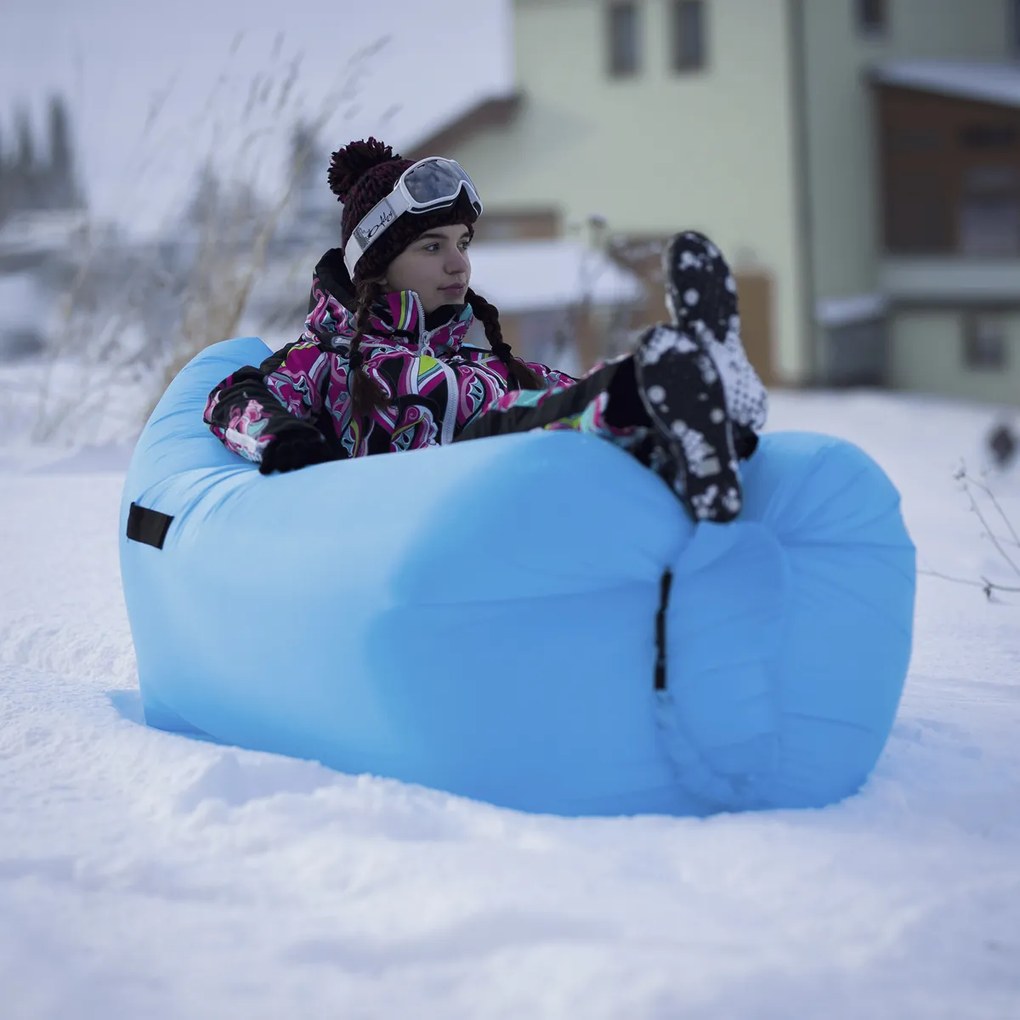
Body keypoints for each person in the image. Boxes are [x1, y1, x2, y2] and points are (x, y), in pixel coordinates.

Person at [204, 138, 767, 522]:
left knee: (559, 402)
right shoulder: (320, 361)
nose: (459, 265)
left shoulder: (484, 368)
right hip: (397, 535)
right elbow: (231, 399)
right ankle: (656, 389)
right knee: (502, 432)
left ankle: (684, 412)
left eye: (463, 244)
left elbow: (565, 392)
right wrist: (284, 440)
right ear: (373, 263)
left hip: (505, 531)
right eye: (433, 246)